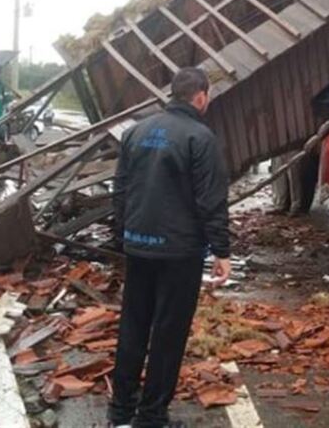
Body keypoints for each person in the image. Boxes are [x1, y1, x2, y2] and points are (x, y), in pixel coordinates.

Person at [109, 67, 231, 428]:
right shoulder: (200, 137)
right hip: (179, 253)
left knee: (132, 327)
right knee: (168, 334)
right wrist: (221, 251)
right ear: (201, 97)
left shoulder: (135, 132)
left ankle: (120, 414)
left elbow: (119, 191)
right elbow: (211, 200)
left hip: (139, 247)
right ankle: (151, 417)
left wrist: (125, 234)